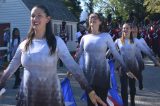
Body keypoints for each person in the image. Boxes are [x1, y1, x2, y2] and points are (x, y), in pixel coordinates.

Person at [0, 5, 107, 106]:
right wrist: (1, 83)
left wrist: (89, 90)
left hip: (51, 99)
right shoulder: (24, 44)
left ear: (47, 19)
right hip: (26, 99)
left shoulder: (56, 42)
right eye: (33, 16)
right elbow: (11, 67)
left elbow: (73, 67)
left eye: (39, 16)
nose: (35, 18)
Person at [75, 13, 135, 106]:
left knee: (102, 102)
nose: (92, 19)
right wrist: (71, 69)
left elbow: (115, 53)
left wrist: (126, 69)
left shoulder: (106, 36)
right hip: (88, 77)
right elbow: (79, 55)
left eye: (95, 17)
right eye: (91, 17)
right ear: (88, 21)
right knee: (90, 103)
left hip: (102, 76)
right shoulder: (84, 38)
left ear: (100, 21)